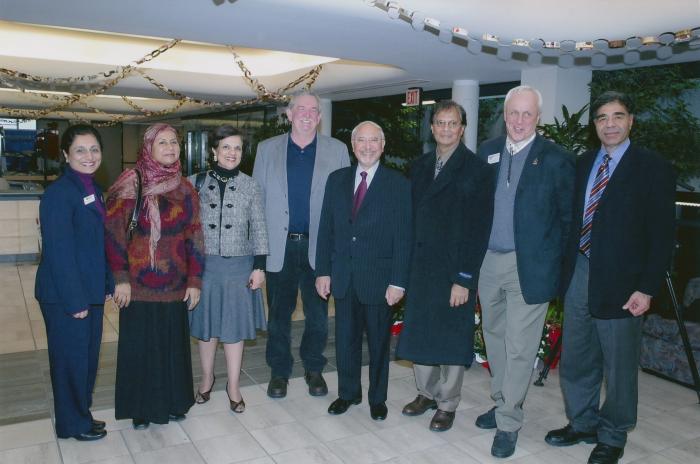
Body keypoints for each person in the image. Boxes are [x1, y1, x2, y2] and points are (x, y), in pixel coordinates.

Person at [545, 91, 676, 464]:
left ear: (631, 120)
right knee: (577, 358)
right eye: (602, 118)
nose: (610, 124)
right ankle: (583, 422)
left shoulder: (653, 167)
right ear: (595, 125)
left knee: (618, 366)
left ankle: (613, 434)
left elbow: (662, 235)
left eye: (618, 116)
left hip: (624, 283)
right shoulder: (584, 162)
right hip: (580, 273)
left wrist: (647, 287)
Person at [475, 85, 575, 458]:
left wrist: (559, 276)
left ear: (538, 118)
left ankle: (509, 422)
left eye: (527, 114)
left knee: (520, 345)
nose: (519, 121)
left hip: (529, 266)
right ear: (504, 115)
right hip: (487, 261)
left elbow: (567, 222)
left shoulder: (555, 159)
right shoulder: (487, 152)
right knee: (494, 337)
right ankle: (503, 400)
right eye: (513, 113)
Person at [396, 100, 494, 432]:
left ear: (462, 128)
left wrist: (464, 279)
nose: (446, 129)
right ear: (432, 128)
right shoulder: (420, 166)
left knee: (451, 337)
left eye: (453, 123)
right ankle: (425, 393)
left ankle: (448, 403)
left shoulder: (477, 170)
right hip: (421, 267)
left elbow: (479, 229)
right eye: (440, 123)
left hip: (455, 270)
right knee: (422, 331)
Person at [106, 123, 204, 430]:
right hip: (137, 286)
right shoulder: (130, 183)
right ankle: (140, 408)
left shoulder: (185, 188)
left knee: (172, 347)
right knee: (140, 347)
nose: (170, 147)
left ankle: (174, 403)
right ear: (148, 147)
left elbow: (196, 237)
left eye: (174, 142)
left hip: (175, 285)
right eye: (162, 142)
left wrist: (195, 281)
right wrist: (119, 278)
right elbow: (113, 235)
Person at [252, 92, 350, 398]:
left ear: (319, 117)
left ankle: (313, 368)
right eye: (301, 109)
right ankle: (279, 372)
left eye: (313, 110)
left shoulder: (337, 150)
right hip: (280, 248)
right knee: (279, 315)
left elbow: (344, 205)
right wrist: (258, 256)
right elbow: (257, 204)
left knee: (318, 315)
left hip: (319, 249)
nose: (307, 114)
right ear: (289, 114)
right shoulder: (267, 149)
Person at [315, 121, 411, 421]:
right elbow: (326, 230)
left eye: (373, 141)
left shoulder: (398, 184)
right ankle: (348, 393)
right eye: (361, 141)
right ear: (353, 145)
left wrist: (398, 281)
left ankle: (377, 399)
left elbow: (404, 237)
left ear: (383, 146)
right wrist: (323, 271)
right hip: (343, 277)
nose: (367, 146)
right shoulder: (336, 180)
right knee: (345, 340)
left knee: (380, 344)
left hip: (380, 281)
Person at [35, 124, 113, 441]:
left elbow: (97, 242)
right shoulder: (59, 193)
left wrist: (106, 281)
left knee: (85, 360)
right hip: (66, 295)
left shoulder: (91, 189)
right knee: (70, 362)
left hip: (87, 290)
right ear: (66, 154)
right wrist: (75, 300)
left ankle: (81, 414)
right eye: (80, 150)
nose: (89, 156)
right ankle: (71, 424)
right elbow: (59, 251)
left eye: (94, 149)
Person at [188, 125, 268, 413]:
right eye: (226, 147)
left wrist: (260, 267)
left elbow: (259, 227)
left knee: (233, 329)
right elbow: (185, 229)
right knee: (206, 328)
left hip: (239, 267)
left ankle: (233, 385)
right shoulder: (194, 182)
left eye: (237, 148)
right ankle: (207, 377)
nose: (232, 153)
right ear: (214, 151)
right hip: (205, 267)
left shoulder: (251, 185)